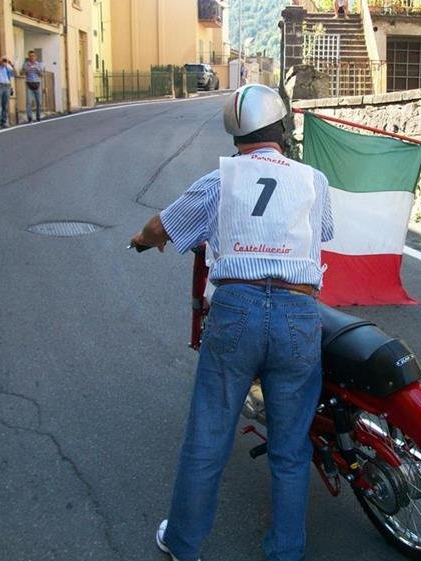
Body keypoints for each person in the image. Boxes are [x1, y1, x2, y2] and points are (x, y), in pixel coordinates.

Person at [130, 84, 334, 561]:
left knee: (208, 436)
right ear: (282, 129)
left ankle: (183, 543)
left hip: (236, 309)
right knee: (290, 448)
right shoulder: (314, 180)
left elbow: (162, 226)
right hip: (298, 312)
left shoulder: (220, 180)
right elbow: (321, 232)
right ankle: (286, 551)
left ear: (236, 136)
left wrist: (141, 240)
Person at [22, 50, 44, 123]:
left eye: (33, 56)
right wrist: (27, 69)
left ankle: (38, 117)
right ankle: (30, 118)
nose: (32, 57)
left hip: (37, 84)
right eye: (30, 56)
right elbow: (22, 73)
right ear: (28, 57)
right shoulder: (26, 64)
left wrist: (37, 70)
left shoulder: (39, 64)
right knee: (29, 102)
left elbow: (41, 74)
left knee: (39, 102)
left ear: (35, 57)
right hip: (29, 84)